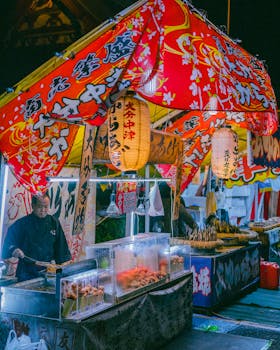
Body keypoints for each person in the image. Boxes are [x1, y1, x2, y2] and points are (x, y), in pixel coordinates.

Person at [2, 193, 72, 282]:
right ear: (33, 205)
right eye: (40, 207)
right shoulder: (22, 224)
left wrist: (64, 266)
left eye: (46, 207)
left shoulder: (54, 222)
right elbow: (8, 245)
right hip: (26, 273)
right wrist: (14, 250)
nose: (43, 210)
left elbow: (61, 249)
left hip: (47, 272)